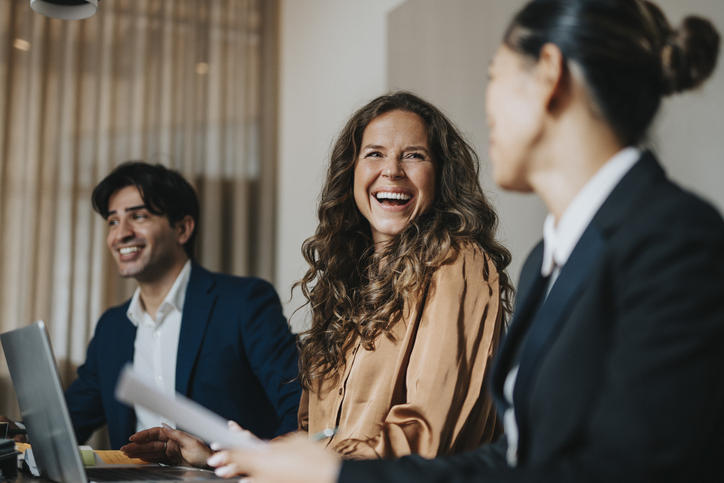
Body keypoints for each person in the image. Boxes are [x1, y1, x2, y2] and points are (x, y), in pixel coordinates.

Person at [204, 0, 724, 482]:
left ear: (549, 74)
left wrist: (336, 474)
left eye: (493, 79)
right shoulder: (553, 254)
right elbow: (515, 457)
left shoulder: (676, 239)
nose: (487, 108)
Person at [152, 92, 513, 468]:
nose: (392, 170)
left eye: (414, 155)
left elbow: (427, 438)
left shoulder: (458, 263)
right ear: (352, 171)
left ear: (441, 174)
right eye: (374, 153)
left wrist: (281, 463)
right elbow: (320, 438)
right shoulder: (348, 281)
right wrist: (220, 455)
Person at [45, 162, 300, 451]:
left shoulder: (245, 302)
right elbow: (65, 425)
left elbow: (299, 407)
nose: (121, 234)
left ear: (182, 229)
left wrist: (264, 466)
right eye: (113, 222)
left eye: (138, 216)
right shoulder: (112, 328)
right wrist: (15, 434)